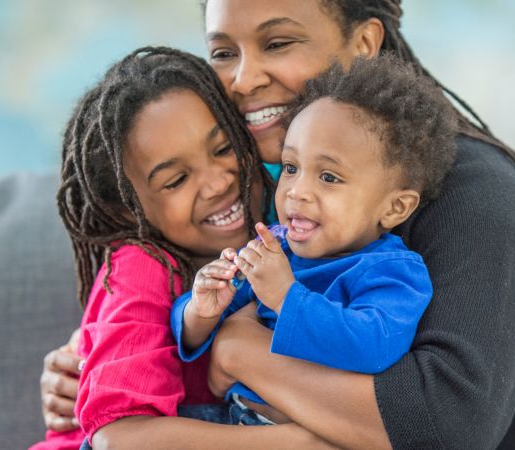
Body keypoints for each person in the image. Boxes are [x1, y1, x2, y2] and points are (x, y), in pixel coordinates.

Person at [41, 1, 515, 448]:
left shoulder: (478, 192)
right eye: (224, 52)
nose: (244, 80)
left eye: (278, 43)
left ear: (365, 43)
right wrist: (96, 353)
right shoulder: (267, 187)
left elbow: (450, 423)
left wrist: (239, 351)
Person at [31, 45, 339, 450]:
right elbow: (118, 439)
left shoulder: (288, 216)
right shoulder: (140, 267)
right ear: (125, 210)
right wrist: (302, 443)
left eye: (224, 148)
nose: (218, 183)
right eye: (175, 180)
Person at [172, 54, 456, 426]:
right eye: (291, 168)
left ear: (394, 208)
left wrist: (287, 298)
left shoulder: (392, 272)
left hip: (299, 431)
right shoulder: (275, 247)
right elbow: (196, 325)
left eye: (329, 177)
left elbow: (374, 346)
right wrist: (201, 310)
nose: (296, 192)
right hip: (232, 414)